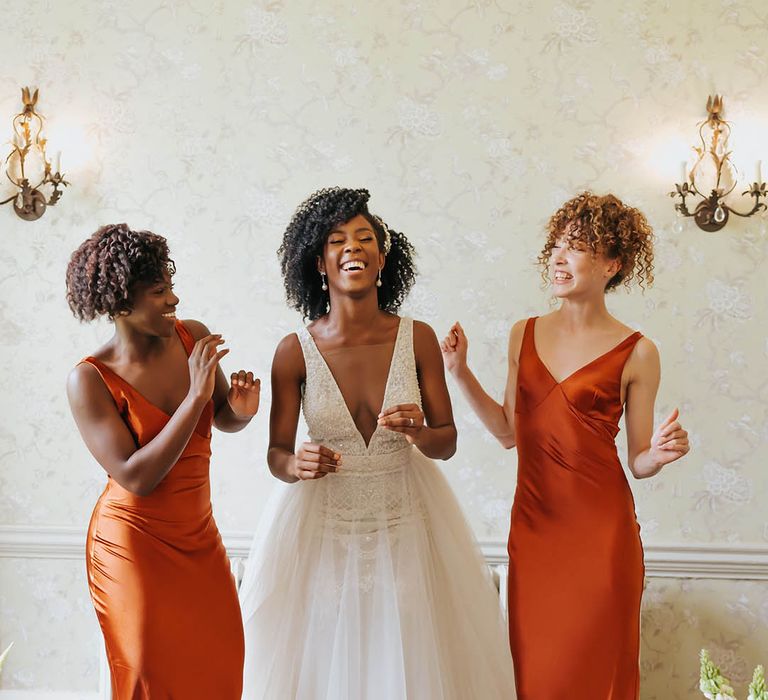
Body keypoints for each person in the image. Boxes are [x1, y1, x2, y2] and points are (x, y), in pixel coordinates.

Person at [239, 187, 516, 699]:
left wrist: (417, 432)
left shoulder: (420, 338)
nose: (353, 247)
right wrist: (296, 463)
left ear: (383, 258)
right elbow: (276, 456)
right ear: (320, 263)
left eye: (365, 238)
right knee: (322, 659)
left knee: (411, 656)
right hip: (321, 529)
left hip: (406, 519)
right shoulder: (292, 352)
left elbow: (447, 442)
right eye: (338, 240)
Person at [441, 192, 690, 700]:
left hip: (602, 538)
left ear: (612, 264)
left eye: (576, 247)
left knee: (600, 673)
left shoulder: (639, 351)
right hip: (534, 534)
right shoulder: (522, 333)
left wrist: (658, 454)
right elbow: (509, 431)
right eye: (556, 245)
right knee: (536, 676)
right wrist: (459, 373)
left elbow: (638, 462)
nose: (558, 257)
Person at [65, 223, 260, 699]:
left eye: (171, 287)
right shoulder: (90, 380)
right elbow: (136, 477)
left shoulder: (191, 337)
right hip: (132, 547)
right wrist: (195, 398)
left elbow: (216, 420)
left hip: (199, 538)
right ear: (120, 303)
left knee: (219, 667)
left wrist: (240, 410)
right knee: (148, 678)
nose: (173, 300)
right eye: (159, 292)